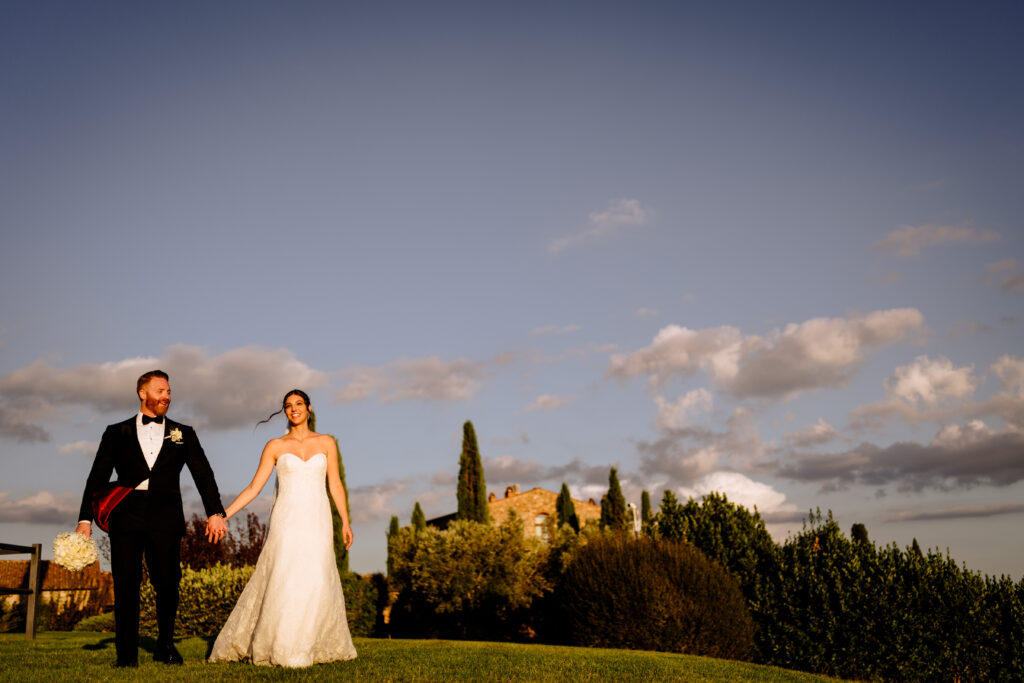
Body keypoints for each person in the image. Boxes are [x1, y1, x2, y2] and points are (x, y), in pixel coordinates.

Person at [76, 369, 228, 667]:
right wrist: (85, 520)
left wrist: (215, 512)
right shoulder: (115, 432)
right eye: (160, 390)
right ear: (142, 393)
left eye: (169, 391)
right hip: (126, 516)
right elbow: (97, 477)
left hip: (166, 517)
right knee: (126, 584)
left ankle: (165, 645)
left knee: (168, 583)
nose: (167, 396)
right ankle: (126, 655)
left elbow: (203, 474)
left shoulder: (184, 433)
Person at [209, 389, 357, 667]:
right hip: (287, 521)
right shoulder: (274, 446)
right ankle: (283, 646)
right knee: (286, 578)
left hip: (318, 519)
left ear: (309, 408)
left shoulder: (326, 442)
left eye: (299, 404)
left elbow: (335, 483)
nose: (294, 409)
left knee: (315, 579)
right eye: (288, 406)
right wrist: (223, 514)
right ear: (285, 411)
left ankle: (308, 645)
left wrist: (345, 521)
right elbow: (254, 487)